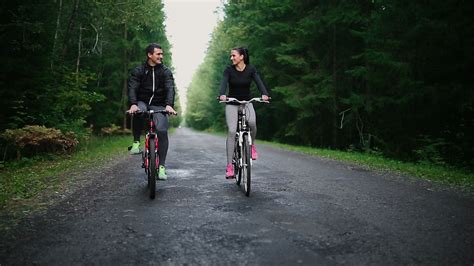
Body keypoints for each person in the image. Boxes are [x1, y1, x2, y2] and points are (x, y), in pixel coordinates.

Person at [127, 43, 177, 180]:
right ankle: (136, 142)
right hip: (142, 101)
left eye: (162, 54)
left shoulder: (165, 71)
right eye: (158, 54)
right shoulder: (139, 70)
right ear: (150, 55)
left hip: (159, 104)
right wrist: (133, 104)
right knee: (138, 111)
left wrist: (169, 105)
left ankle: (161, 167)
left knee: (161, 131)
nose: (161, 56)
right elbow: (132, 87)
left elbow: (170, 88)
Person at [219, 47, 270, 179]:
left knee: (252, 122)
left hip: (247, 102)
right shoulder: (228, 70)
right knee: (231, 131)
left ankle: (251, 146)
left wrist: (264, 93)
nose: (231, 58)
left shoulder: (251, 69)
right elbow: (224, 83)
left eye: (234, 55)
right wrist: (222, 95)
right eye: (231, 56)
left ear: (242, 57)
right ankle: (230, 166)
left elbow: (259, 82)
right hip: (232, 103)